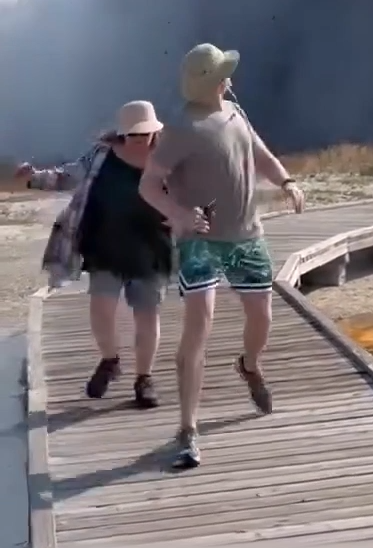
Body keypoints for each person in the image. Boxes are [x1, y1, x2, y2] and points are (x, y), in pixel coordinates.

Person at [139, 44, 304, 471]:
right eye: (225, 72)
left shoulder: (235, 112)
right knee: (199, 326)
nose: (231, 77)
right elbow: (149, 184)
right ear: (212, 80)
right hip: (202, 238)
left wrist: (286, 182)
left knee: (262, 316)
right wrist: (177, 213)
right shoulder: (181, 128)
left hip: (247, 234)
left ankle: (249, 365)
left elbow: (261, 154)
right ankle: (188, 429)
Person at [18, 101, 171, 409]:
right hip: (105, 245)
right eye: (134, 134)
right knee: (101, 308)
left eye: (145, 133)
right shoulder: (102, 155)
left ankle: (144, 379)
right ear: (123, 133)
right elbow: (68, 176)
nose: (141, 139)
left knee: (147, 315)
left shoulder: (168, 158)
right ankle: (110, 360)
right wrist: (34, 177)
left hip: (151, 247)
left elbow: (194, 189)